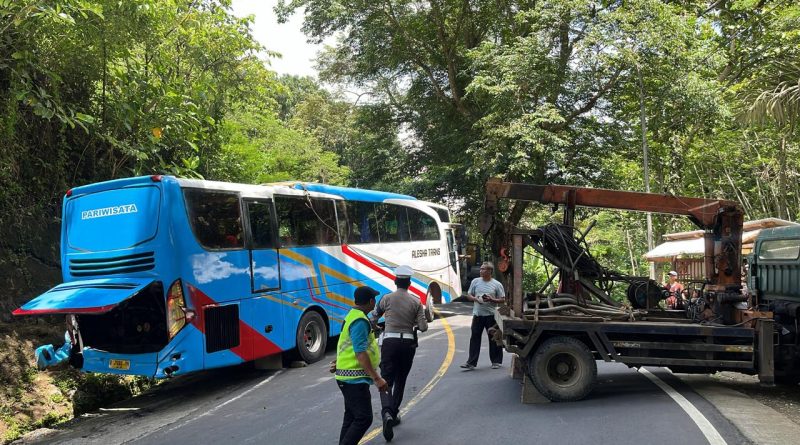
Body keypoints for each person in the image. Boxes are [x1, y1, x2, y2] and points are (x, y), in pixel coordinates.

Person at [372, 265, 428, 442]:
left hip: (389, 343)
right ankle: (393, 414)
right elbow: (424, 327)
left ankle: (386, 413)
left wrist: (377, 329)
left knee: (386, 380)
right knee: (401, 379)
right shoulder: (416, 301)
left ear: (395, 281)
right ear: (410, 284)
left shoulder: (386, 299)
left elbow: (373, 318)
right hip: (407, 344)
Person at [335, 286, 389, 445]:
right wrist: (377, 378)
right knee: (364, 418)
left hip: (347, 376)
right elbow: (360, 352)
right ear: (371, 301)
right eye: (374, 300)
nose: (375, 304)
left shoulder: (353, 315)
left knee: (351, 416)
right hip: (354, 378)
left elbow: (346, 345)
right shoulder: (359, 320)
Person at [461, 261, 505, 370]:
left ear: (490, 271)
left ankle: (496, 361)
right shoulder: (475, 281)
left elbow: (503, 299)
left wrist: (492, 299)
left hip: (491, 315)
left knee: (493, 338)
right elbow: (469, 295)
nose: (481, 271)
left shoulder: (497, 284)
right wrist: (475, 299)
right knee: (475, 338)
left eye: (484, 269)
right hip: (478, 315)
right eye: (481, 269)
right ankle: (471, 363)